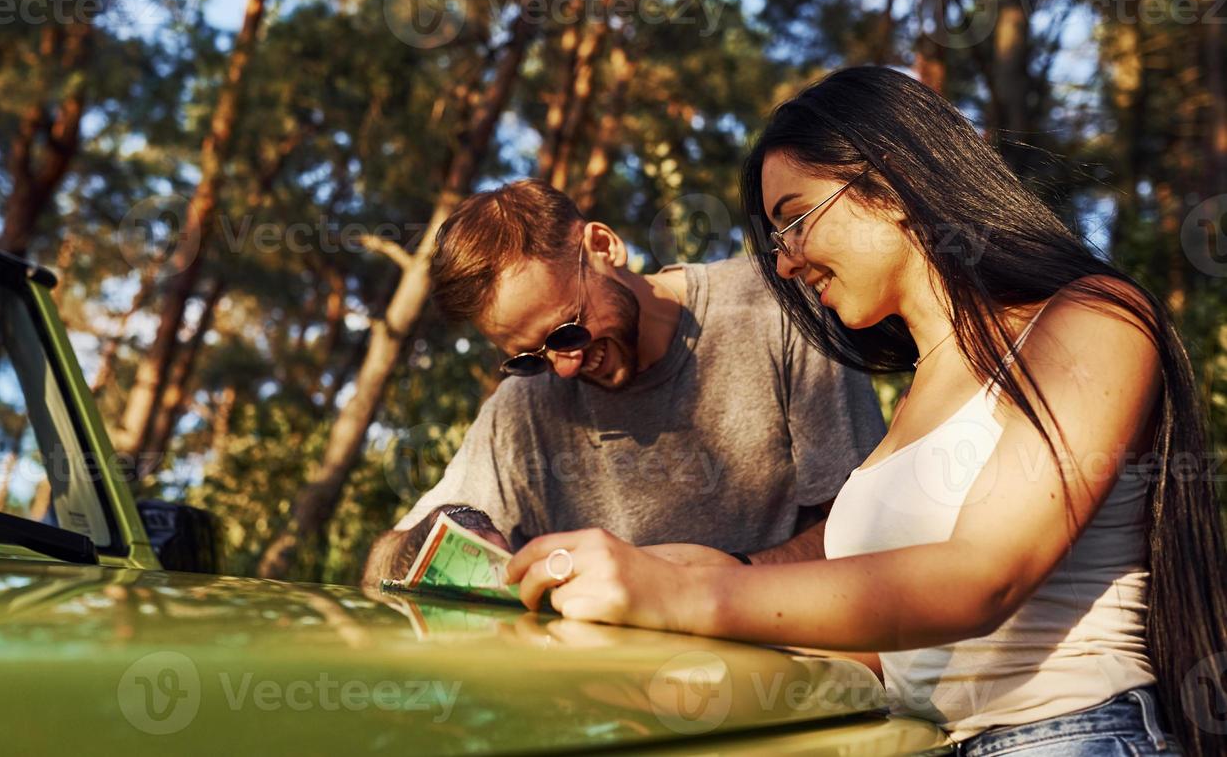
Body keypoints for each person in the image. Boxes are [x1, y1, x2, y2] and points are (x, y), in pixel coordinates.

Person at [505, 66, 1227, 756]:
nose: (783, 262)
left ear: (896, 182)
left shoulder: (1090, 318)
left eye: (794, 220)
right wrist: (687, 576)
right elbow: (897, 653)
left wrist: (695, 591)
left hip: (1073, 736)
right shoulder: (915, 396)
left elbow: (983, 577)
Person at [362, 178, 887, 587]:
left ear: (603, 245)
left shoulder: (774, 308)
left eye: (566, 330)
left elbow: (863, 537)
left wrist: (701, 583)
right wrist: (449, 524)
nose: (563, 368)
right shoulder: (523, 408)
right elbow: (386, 561)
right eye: (529, 358)